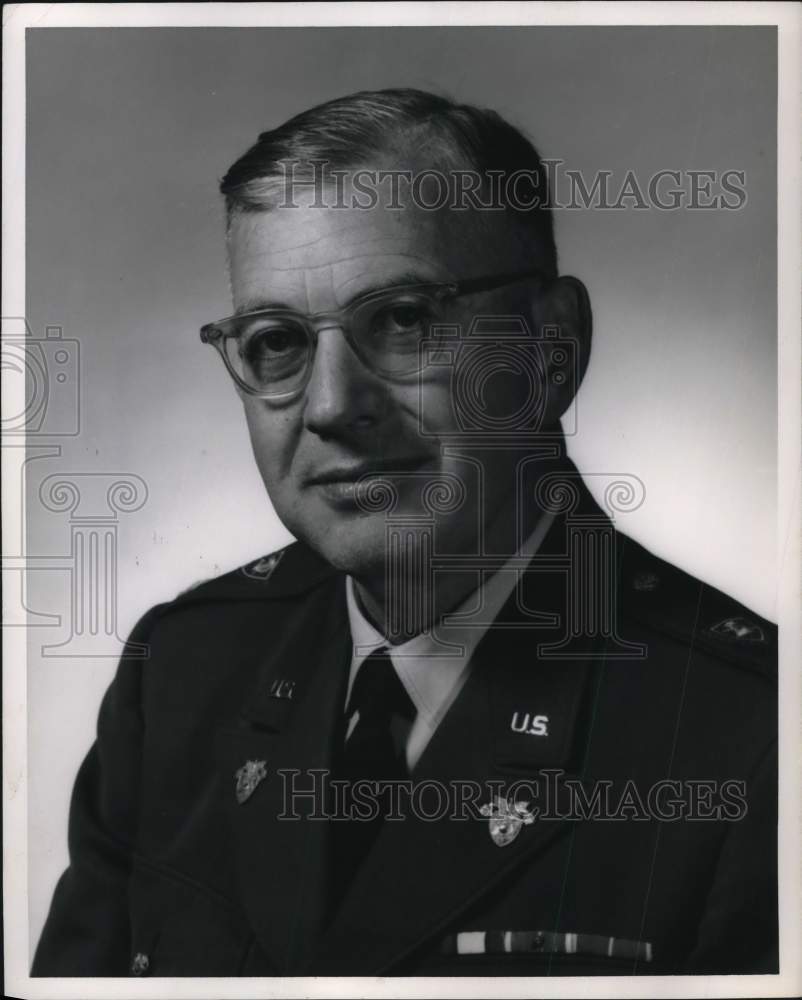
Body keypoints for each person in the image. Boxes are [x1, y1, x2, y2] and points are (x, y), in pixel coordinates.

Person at [32, 89, 777, 978]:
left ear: (551, 349)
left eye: (402, 320)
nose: (332, 405)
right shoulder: (182, 678)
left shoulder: (755, 740)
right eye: (276, 341)